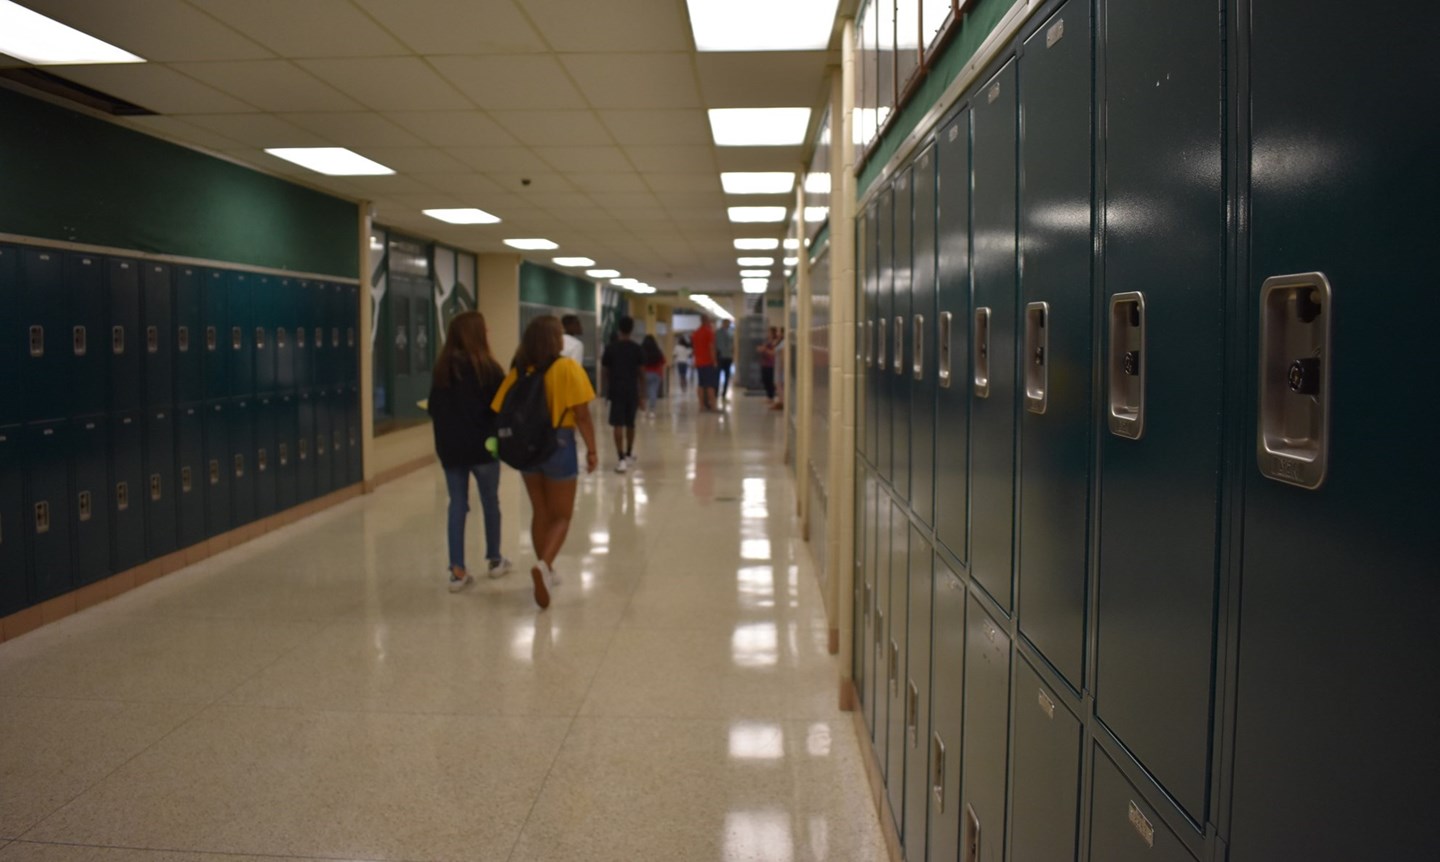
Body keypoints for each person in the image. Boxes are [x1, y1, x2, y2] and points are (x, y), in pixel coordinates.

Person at [492, 315, 598, 610]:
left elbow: (499, 407)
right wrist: (592, 450)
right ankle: (543, 565)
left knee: (540, 510)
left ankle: (547, 570)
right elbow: (583, 415)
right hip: (559, 444)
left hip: (527, 449)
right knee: (562, 516)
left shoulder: (518, 372)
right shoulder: (567, 368)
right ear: (555, 340)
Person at [428, 311, 510, 592]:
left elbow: (433, 408)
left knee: (457, 505)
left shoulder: (442, 369)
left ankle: (457, 570)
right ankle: (495, 559)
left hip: (451, 449)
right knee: (490, 503)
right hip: (483, 447)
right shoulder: (490, 369)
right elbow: (500, 408)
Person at [601, 317, 645, 472]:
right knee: (630, 423)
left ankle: (620, 458)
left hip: (616, 390)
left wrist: (605, 390)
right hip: (631, 391)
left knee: (617, 424)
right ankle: (628, 453)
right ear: (632, 329)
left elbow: (605, 371)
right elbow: (641, 373)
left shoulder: (611, 348)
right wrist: (642, 395)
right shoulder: (636, 348)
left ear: (619, 329)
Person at [691, 315, 718, 411]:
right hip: (708, 362)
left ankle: (701, 406)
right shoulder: (709, 332)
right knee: (710, 385)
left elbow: (694, 348)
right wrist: (714, 361)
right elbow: (711, 348)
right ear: (707, 321)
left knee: (701, 385)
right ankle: (714, 407)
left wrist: (695, 360)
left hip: (699, 362)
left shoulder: (696, 333)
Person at [640, 334, 666, 418]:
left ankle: (643, 410)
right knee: (653, 392)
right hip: (656, 374)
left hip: (643, 374)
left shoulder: (641, 351)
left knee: (643, 392)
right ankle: (652, 410)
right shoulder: (658, 351)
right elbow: (663, 361)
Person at [757, 325, 779, 403]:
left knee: (770, 380)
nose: (767, 333)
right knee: (765, 379)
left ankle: (771, 396)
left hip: (771, 364)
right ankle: (769, 396)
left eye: (769, 332)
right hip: (764, 363)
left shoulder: (775, 342)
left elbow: (773, 353)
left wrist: (765, 350)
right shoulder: (767, 341)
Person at [715, 318, 734, 404]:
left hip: (728, 357)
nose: (728, 325)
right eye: (726, 323)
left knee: (727, 376)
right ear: (723, 323)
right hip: (720, 357)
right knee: (717, 376)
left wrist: (732, 355)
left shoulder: (731, 333)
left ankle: (724, 394)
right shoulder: (717, 333)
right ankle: (716, 393)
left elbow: (732, 345)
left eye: (728, 324)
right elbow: (715, 345)